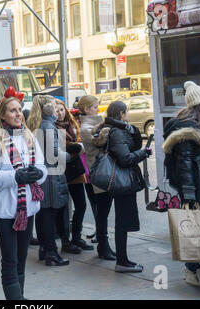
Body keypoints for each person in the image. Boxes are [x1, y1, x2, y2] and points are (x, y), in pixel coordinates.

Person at [0, 90, 47, 300]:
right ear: (3, 115)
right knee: (10, 260)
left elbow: (41, 167)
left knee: (22, 258)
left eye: (19, 110)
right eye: (12, 110)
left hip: (29, 208)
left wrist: (38, 174)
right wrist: (15, 177)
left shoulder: (29, 137)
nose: (18, 114)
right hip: (5, 210)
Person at [163, 81, 200, 287]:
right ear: (199, 104)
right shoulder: (188, 129)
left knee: (197, 228)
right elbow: (184, 164)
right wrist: (189, 194)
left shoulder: (193, 125)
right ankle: (194, 273)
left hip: (195, 184)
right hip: (193, 187)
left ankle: (195, 271)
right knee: (194, 230)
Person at [104, 101, 151, 273]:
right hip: (122, 182)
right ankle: (122, 262)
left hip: (125, 182)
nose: (129, 115)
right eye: (127, 112)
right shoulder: (117, 132)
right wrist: (144, 153)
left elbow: (134, 145)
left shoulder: (122, 129)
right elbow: (126, 158)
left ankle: (123, 260)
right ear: (122, 113)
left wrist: (133, 131)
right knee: (122, 222)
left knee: (123, 221)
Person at [27, 94, 71, 266]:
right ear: (48, 109)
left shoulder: (37, 124)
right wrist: (71, 153)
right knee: (49, 217)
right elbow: (55, 155)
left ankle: (45, 250)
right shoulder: (48, 127)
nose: (57, 109)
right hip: (50, 177)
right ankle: (51, 253)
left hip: (42, 176)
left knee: (43, 215)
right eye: (54, 106)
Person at [78, 95, 116, 260]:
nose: (97, 109)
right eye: (94, 107)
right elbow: (100, 141)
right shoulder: (87, 127)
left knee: (103, 211)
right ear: (86, 109)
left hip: (101, 171)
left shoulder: (93, 125)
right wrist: (108, 128)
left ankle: (104, 246)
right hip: (98, 173)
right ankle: (103, 246)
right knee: (102, 212)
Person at [54, 99, 94, 252]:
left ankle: (77, 237)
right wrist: (75, 147)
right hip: (61, 171)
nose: (60, 113)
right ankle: (66, 241)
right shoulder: (51, 127)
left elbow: (76, 143)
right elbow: (58, 149)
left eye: (62, 110)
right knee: (63, 208)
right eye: (56, 110)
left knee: (81, 205)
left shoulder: (71, 125)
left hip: (75, 170)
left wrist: (77, 145)